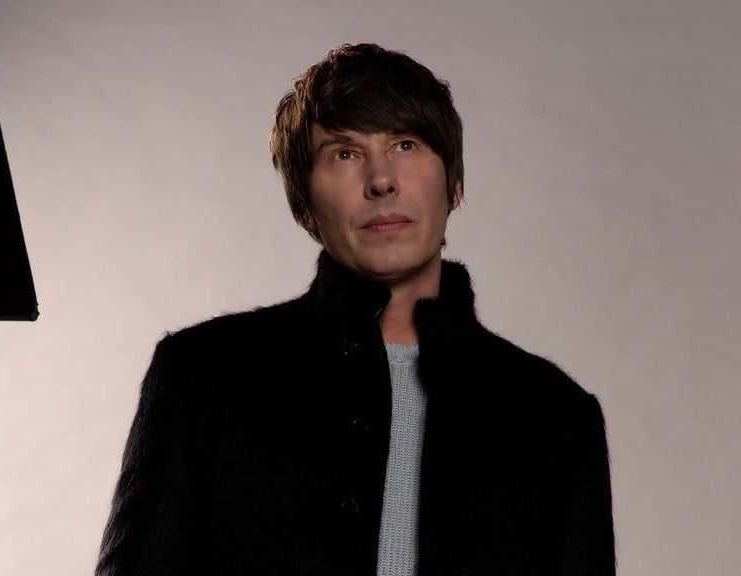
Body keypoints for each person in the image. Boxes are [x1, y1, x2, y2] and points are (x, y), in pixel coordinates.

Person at [95, 43, 615, 576]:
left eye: (406, 145)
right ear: (304, 203)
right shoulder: (202, 376)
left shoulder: (557, 417)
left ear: (454, 185)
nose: (381, 179)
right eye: (344, 153)